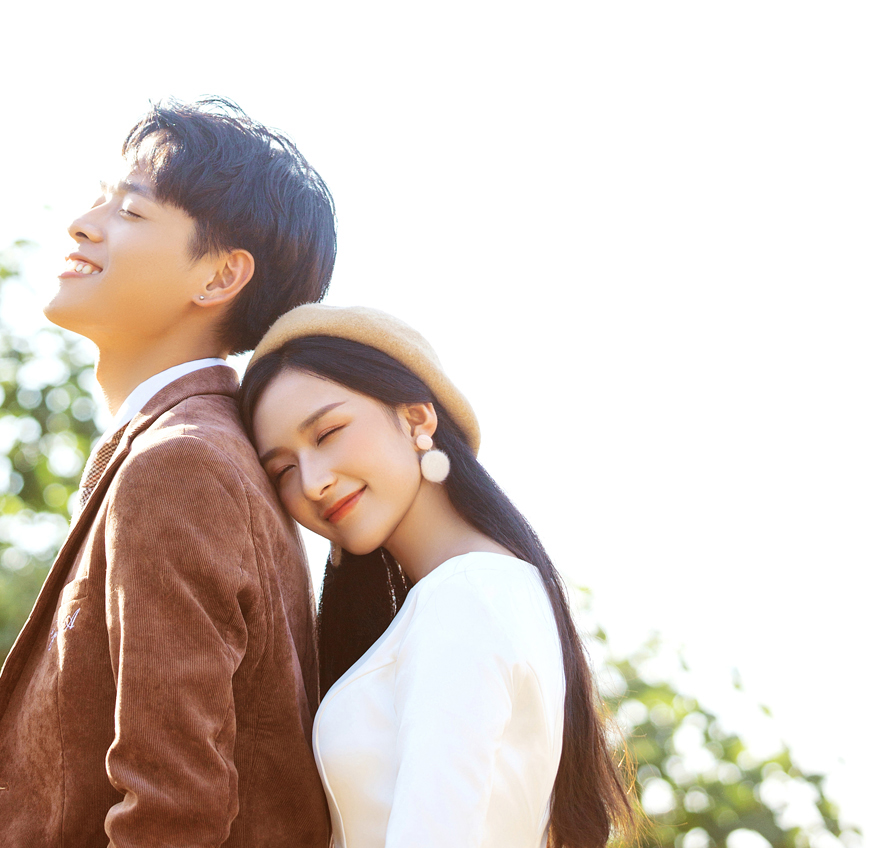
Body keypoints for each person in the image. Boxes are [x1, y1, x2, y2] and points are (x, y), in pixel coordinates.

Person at [0, 98, 336, 848]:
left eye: (130, 211)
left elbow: (174, 809)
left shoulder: (181, 463)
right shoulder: (195, 450)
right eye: (99, 200)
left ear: (220, 275)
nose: (82, 224)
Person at [242, 304, 633, 848]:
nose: (312, 482)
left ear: (417, 419)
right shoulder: (487, 590)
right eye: (283, 469)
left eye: (328, 432)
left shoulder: (465, 596)